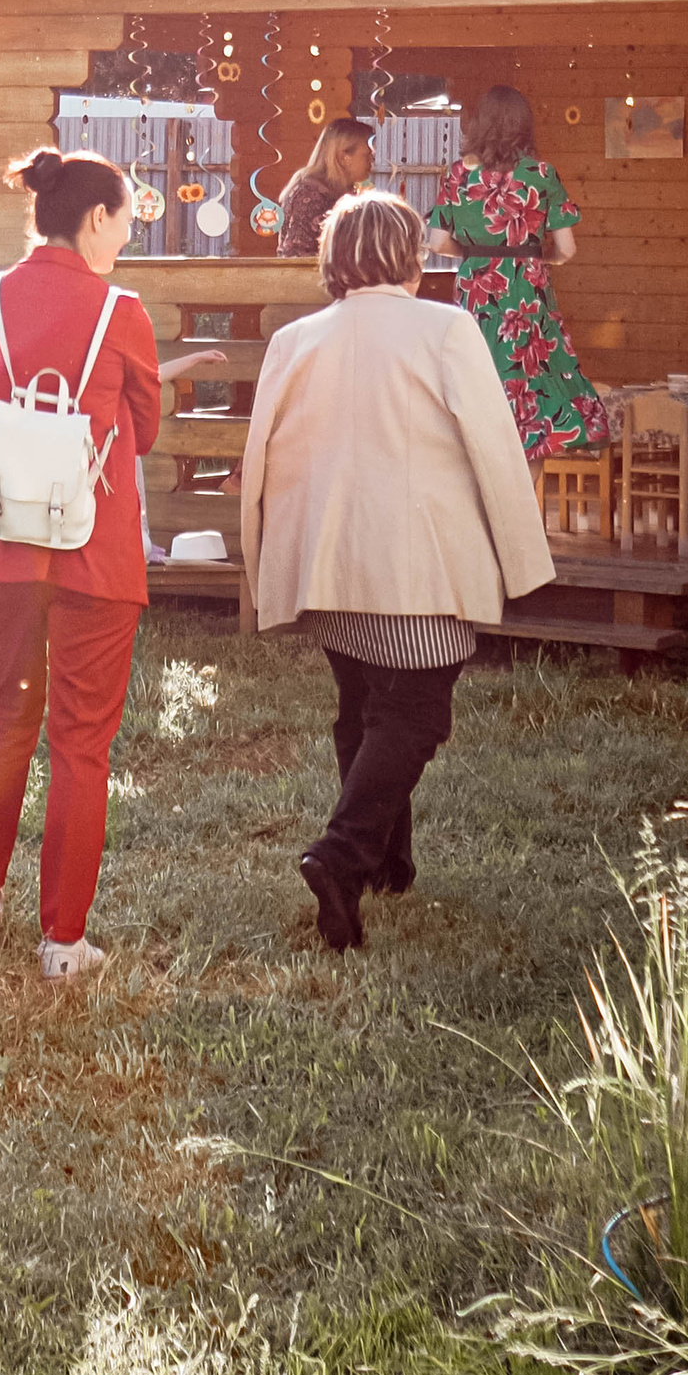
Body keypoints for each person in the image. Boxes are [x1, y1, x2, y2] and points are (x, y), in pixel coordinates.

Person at [241, 188, 555, 950]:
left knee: (360, 708)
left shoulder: (297, 337)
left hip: (326, 558)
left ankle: (388, 862)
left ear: (333, 258)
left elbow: (260, 458)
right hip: (418, 564)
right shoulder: (446, 329)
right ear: (413, 256)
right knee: (414, 714)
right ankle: (342, 856)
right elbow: (492, 445)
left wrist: (261, 564)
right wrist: (523, 560)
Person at [0, 147, 163, 983]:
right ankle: (63, 941)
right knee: (81, 741)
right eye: (125, 221)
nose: (126, 238)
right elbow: (140, 432)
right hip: (90, 551)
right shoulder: (123, 310)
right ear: (95, 220)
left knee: (6, 712)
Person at [427, 85, 605, 457]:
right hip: (527, 289)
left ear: (480, 125)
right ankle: (525, 504)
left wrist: (475, 254)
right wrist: (538, 260)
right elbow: (567, 249)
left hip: (477, 287)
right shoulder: (541, 174)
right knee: (529, 394)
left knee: (476, 375)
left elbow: (437, 242)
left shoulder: (458, 175)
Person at [273, 118, 376, 262]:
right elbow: (296, 257)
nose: (372, 160)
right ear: (343, 157)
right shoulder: (308, 194)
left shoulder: (343, 191)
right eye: (366, 155)